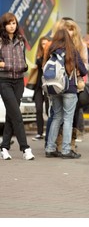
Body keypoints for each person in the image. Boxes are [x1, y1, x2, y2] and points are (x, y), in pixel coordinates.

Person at [44, 29, 87, 159]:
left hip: (54, 89)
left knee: (57, 117)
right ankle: (66, 150)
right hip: (69, 88)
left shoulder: (51, 52)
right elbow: (83, 70)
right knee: (68, 118)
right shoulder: (72, 51)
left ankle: (50, 148)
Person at [0, 12, 35, 160]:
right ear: (4, 25)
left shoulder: (20, 40)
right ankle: (25, 148)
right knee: (17, 115)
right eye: (9, 23)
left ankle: (4, 147)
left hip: (19, 80)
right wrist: (2, 64)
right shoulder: (0, 41)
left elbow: (22, 57)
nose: (12, 26)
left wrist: (25, 65)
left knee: (11, 115)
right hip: (4, 80)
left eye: (14, 23)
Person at [31, 36, 51, 141]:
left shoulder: (52, 56)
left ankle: (50, 132)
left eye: (47, 43)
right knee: (38, 109)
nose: (45, 45)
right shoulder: (39, 57)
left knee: (49, 110)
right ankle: (39, 133)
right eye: (43, 44)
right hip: (39, 86)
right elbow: (39, 63)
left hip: (49, 86)